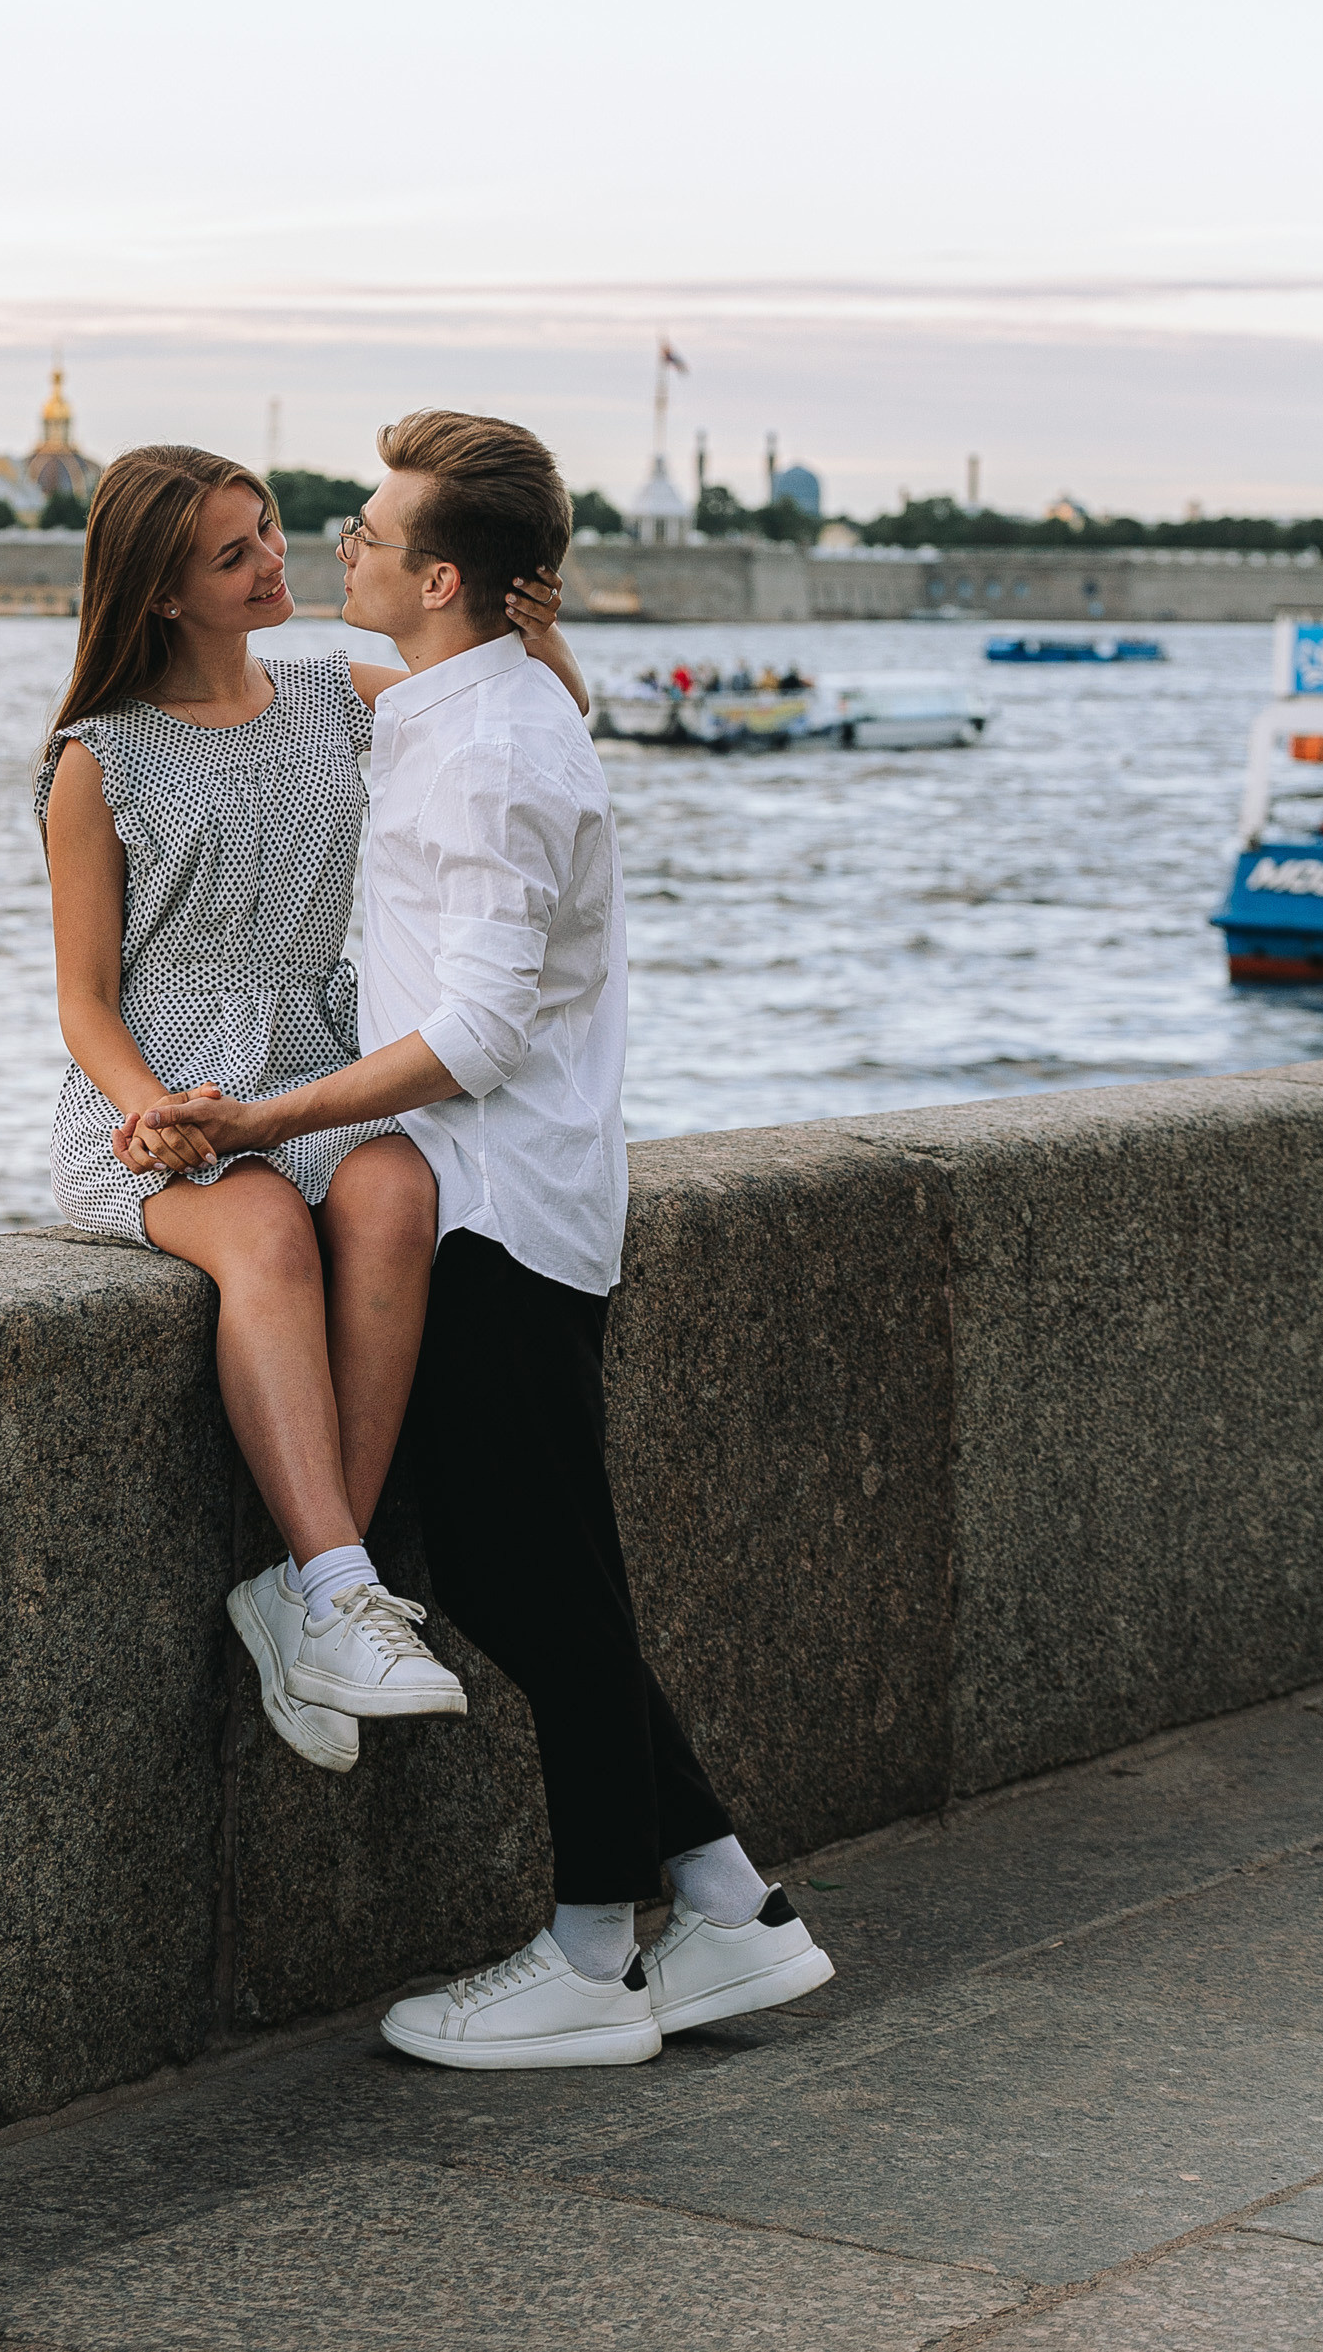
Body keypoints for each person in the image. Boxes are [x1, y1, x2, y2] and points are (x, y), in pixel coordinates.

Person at [134, 410, 835, 2070]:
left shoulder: (492, 749)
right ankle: (733, 1909)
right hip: (497, 1197)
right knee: (544, 1572)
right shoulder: (475, 705)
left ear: (442, 579)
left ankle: (595, 1956)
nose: (346, 545)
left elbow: (487, 1032)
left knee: (535, 1587)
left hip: (498, 1205)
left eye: (373, 531)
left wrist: (260, 1123)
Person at [37, 441, 585, 1775]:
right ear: (163, 594)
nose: (276, 561)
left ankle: (304, 1588)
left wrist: (548, 640)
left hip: (311, 1055)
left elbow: (507, 726)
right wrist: (154, 1107)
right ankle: (342, 1585)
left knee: (399, 1191)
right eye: (235, 555)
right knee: (267, 1232)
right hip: (160, 1091)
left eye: (270, 531)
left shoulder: (338, 695)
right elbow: (85, 1001)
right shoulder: (96, 760)